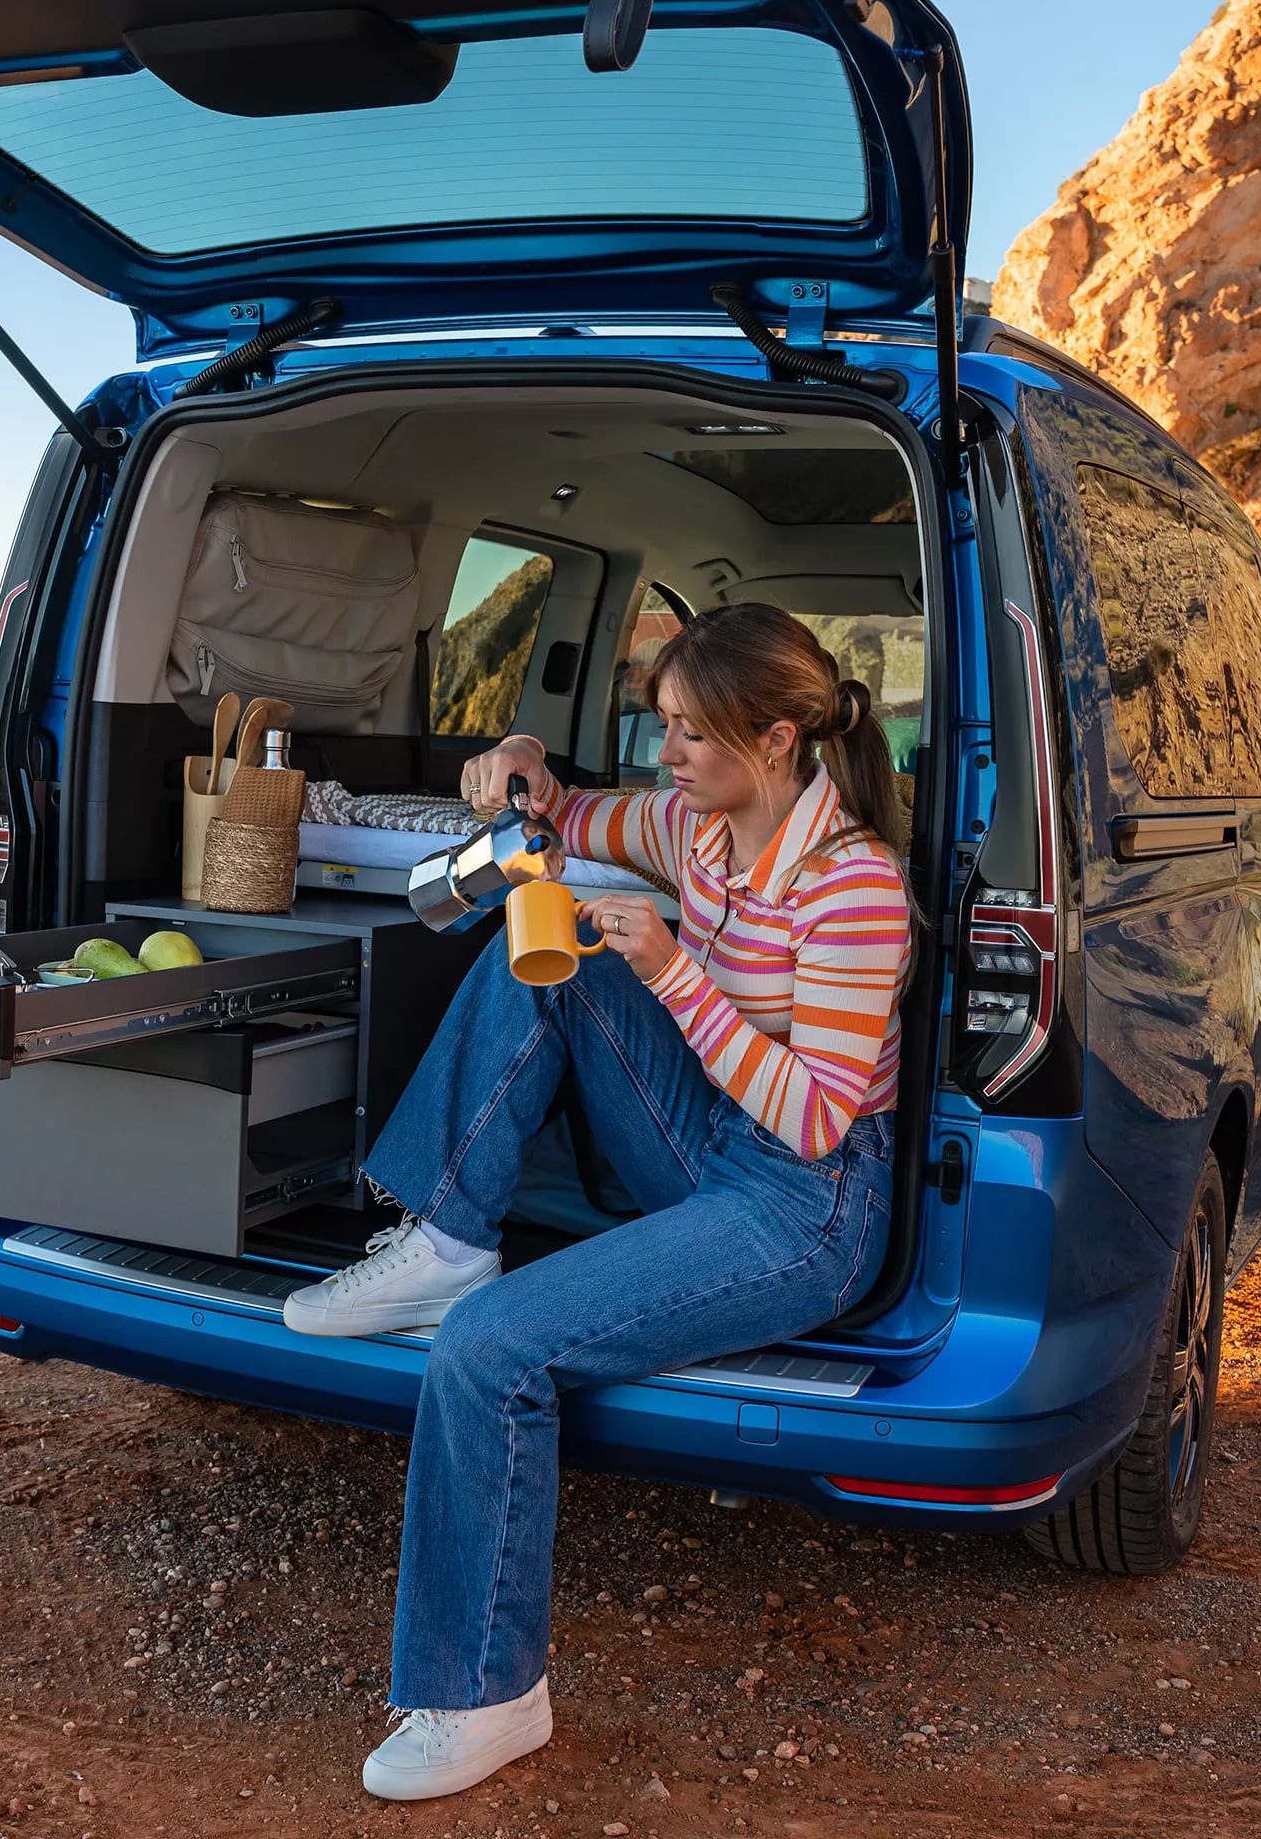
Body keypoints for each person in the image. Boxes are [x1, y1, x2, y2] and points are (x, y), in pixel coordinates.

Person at [281, 602, 919, 1801]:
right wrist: (526, 767)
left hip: (806, 1204)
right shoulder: (697, 825)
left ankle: (483, 1698)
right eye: (661, 725)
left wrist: (675, 971)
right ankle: (451, 1235)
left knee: (485, 1354)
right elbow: (571, 811)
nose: (665, 753)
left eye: (686, 732)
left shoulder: (855, 887)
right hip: (715, 1139)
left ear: (775, 739)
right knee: (550, 939)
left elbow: (817, 1118)